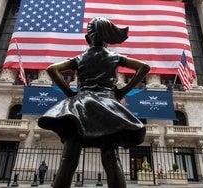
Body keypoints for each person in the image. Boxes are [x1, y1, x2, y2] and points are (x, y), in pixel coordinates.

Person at [38, 17, 150, 188]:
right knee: (111, 158)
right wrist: (122, 91)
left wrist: (70, 93)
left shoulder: (80, 58)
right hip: (107, 107)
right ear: (107, 40)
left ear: (88, 39)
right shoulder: (114, 57)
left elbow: (52, 69)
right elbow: (144, 67)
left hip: (80, 106)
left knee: (69, 158)